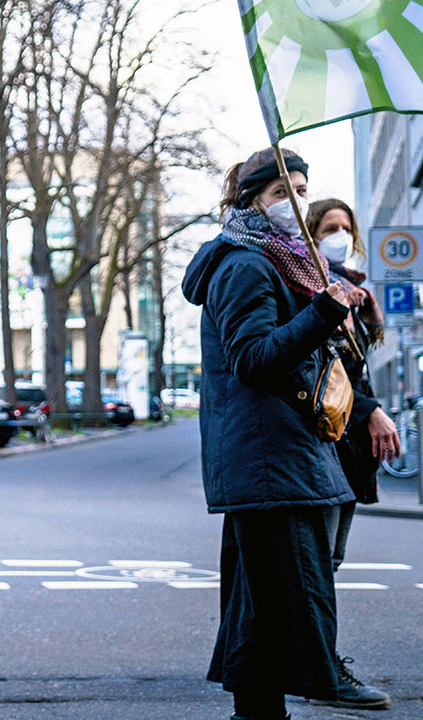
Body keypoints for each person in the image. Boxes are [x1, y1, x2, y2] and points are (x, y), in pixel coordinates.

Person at [181, 147, 389, 719]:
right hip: (269, 456)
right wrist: (322, 311)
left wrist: (339, 313)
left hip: (277, 452)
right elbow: (253, 359)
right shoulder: (245, 264)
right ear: (251, 202)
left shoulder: (280, 261)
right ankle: (321, 675)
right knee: (298, 583)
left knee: (259, 597)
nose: (294, 201)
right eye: (281, 193)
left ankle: (256, 707)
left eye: (301, 189)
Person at [303, 198, 396, 710]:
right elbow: (324, 371)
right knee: (318, 561)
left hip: (348, 441)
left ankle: (317, 663)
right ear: (311, 234)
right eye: (328, 227)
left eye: (345, 227)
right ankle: (320, 667)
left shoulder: (354, 288)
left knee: (329, 560)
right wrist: (373, 411)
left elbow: (355, 366)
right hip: (328, 438)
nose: (339, 234)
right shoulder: (313, 285)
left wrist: (371, 317)